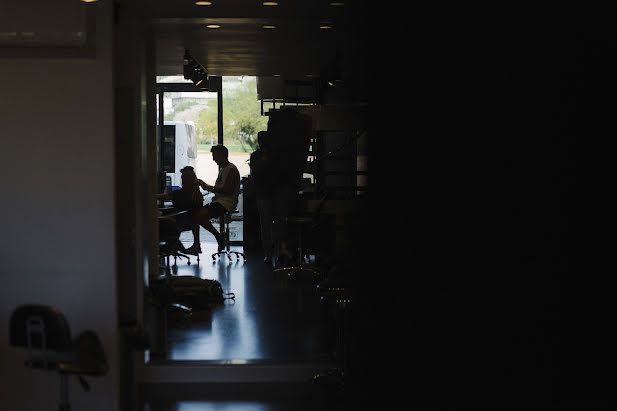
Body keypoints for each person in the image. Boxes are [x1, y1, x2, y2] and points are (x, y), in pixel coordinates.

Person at [194, 144, 241, 252]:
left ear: (222, 155)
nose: (213, 158)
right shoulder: (224, 169)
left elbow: (228, 190)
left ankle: (218, 238)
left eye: (215, 155)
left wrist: (209, 188)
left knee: (200, 215)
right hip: (220, 201)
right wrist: (207, 186)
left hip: (226, 203)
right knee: (196, 215)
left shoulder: (231, 169)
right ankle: (213, 239)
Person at [157, 166, 204, 254]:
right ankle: (191, 244)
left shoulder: (179, 194)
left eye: (182, 178)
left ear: (184, 180)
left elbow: (162, 197)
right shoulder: (197, 195)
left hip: (177, 223)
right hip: (188, 223)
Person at [250, 131, 276, 263]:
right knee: (267, 225)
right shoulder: (273, 156)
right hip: (268, 193)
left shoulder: (256, 156)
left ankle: (271, 253)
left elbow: (256, 174)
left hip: (266, 193)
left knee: (267, 225)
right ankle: (270, 252)